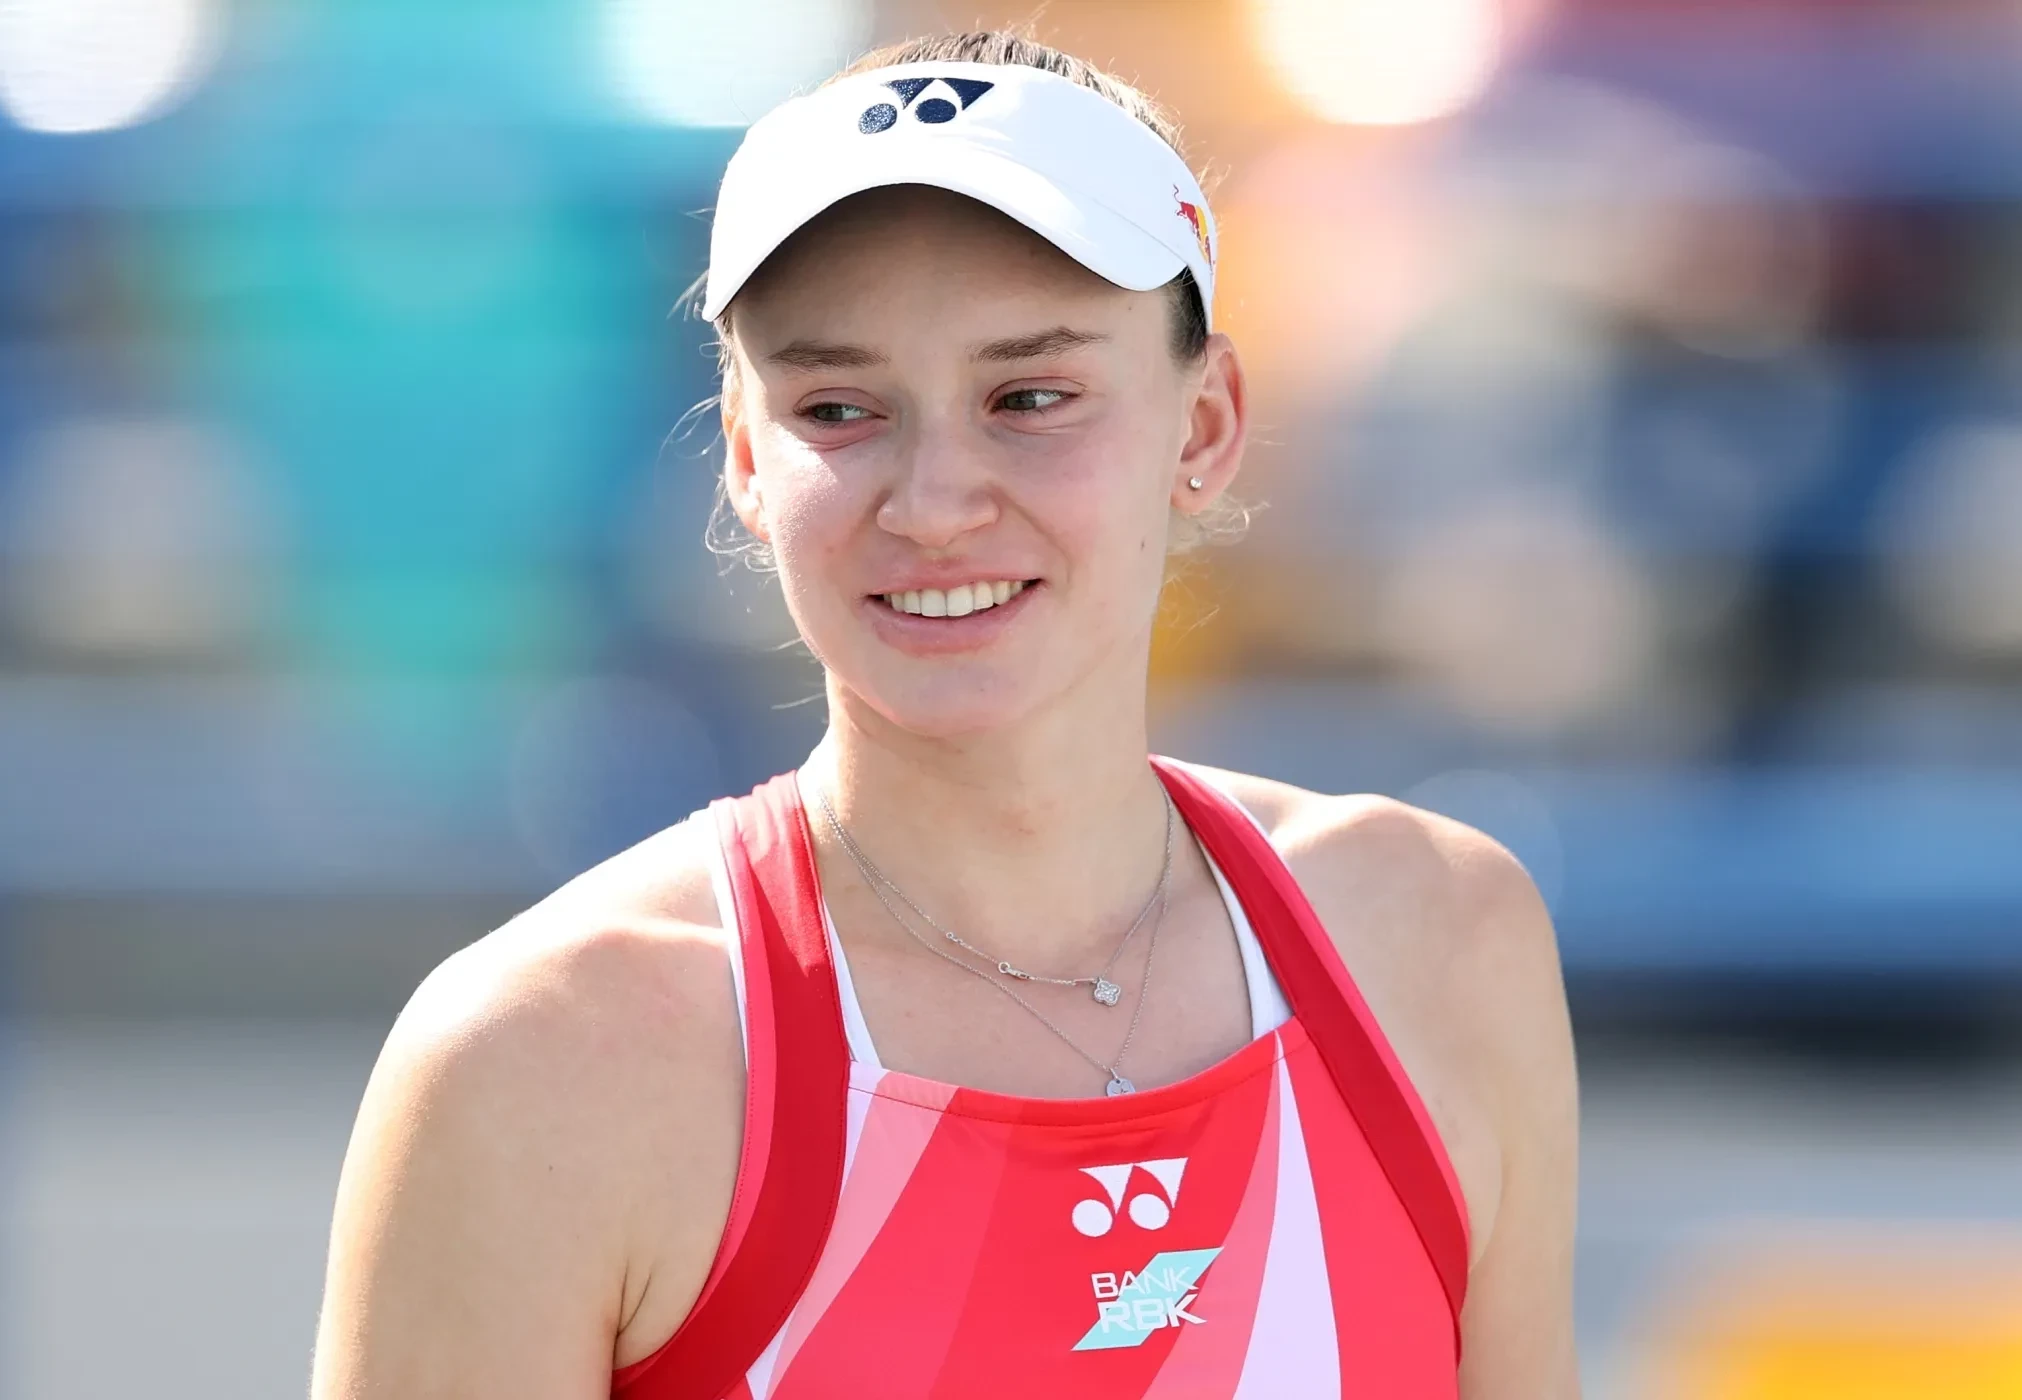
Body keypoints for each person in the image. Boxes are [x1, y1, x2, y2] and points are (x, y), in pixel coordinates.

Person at [310, 30, 1579, 1400]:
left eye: (1029, 397)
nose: (930, 504)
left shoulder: (1437, 945)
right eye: (839, 408)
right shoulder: (542, 1062)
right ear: (745, 459)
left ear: (1205, 425)